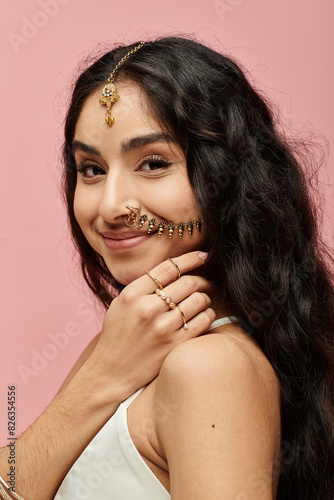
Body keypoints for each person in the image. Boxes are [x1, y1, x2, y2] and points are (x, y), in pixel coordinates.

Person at [0, 36, 333, 500]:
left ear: (227, 179)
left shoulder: (210, 368)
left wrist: (102, 377)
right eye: (91, 169)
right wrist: (101, 376)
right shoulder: (124, 344)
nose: (111, 206)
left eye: (153, 163)